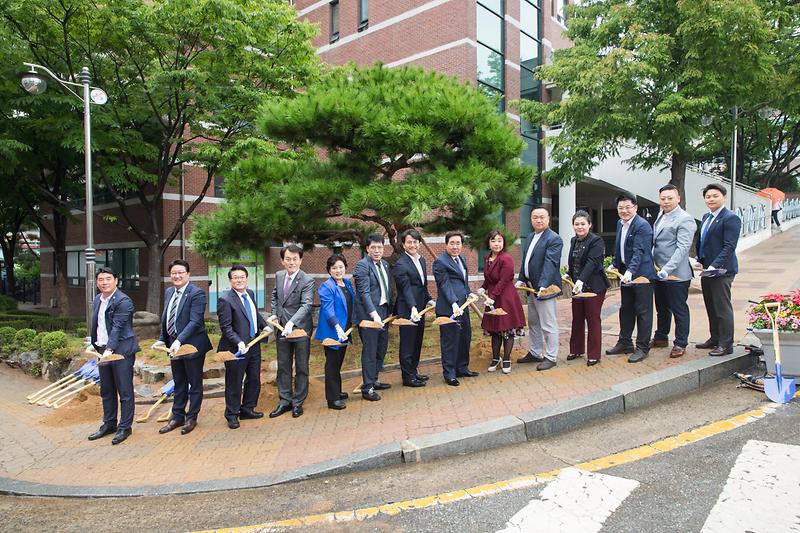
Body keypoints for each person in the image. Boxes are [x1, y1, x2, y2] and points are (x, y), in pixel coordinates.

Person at [152, 259, 212, 435]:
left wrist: (180, 340)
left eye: (181, 273)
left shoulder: (197, 293)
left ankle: (192, 417)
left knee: (194, 382)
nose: (177, 276)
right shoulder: (170, 291)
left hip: (192, 346)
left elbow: (195, 321)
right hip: (173, 346)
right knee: (179, 381)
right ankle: (177, 416)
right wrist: (163, 339)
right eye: (173, 273)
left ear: (188, 275)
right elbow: (167, 318)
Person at [87, 267, 140, 445]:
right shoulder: (98, 299)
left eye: (108, 279)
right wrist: (94, 344)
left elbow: (117, 327)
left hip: (121, 352)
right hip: (103, 351)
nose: (104, 282)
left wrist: (109, 349)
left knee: (124, 391)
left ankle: (125, 427)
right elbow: (99, 325)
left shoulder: (123, 301)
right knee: (107, 390)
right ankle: (109, 424)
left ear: (116, 280)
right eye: (101, 279)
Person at [606, 192, 657, 363]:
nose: (624, 211)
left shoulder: (642, 226)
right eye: (621, 208)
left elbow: (639, 251)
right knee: (626, 309)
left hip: (641, 276)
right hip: (625, 275)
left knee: (643, 312)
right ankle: (625, 342)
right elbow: (620, 246)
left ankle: (642, 347)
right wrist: (615, 263)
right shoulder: (620, 224)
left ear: (635, 207)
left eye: (628, 207)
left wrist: (631, 271)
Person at [217, 265, 270, 429]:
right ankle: (232, 414)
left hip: (254, 345)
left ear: (247, 279)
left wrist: (264, 326)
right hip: (236, 348)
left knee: (254, 378)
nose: (239, 280)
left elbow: (254, 314)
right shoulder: (225, 300)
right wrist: (239, 342)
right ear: (231, 280)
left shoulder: (250, 294)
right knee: (234, 381)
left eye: (242, 277)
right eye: (235, 277)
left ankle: (247, 408)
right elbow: (226, 327)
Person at [268, 244, 315, 418]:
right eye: (288, 259)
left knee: (302, 367)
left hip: (300, 329)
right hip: (281, 328)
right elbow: (275, 296)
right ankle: (285, 401)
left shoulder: (307, 280)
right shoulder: (279, 275)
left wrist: (292, 322)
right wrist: (274, 314)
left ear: (301, 260)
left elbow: (306, 305)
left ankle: (298, 402)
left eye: (295, 259)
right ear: (282, 260)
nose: (291, 262)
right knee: (284, 366)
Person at [696, 183, 742, 356]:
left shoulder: (730, 218)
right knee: (711, 305)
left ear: (723, 196)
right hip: (707, 269)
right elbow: (703, 242)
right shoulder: (707, 216)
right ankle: (714, 338)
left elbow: (729, 246)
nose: (711, 199)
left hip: (722, 270)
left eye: (715, 195)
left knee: (722, 307)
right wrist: (699, 259)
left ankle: (726, 344)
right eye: (708, 196)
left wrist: (715, 264)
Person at [651, 184, 695, 358]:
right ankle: (661, 336)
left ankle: (681, 342)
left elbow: (683, 248)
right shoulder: (660, 215)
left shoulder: (685, 218)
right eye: (663, 198)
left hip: (676, 273)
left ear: (678, 198)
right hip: (658, 271)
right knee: (661, 307)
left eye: (670, 198)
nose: (666, 201)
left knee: (678, 308)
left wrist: (667, 269)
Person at [516, 206, 563, 371]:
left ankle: (551, 356)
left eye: (542, 217)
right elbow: (526, 260)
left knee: (548, 323)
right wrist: (521, 278)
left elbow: (550, 264)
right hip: (531, 288)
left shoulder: (554, 239)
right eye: (535, 217)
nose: (538, 220)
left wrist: (543, 286)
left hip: (545, 288)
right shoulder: (530, 237)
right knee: (534, 321)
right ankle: (535, 352)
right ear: (531, 219)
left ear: (548, 219)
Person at [433, 231, 478, 386]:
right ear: (446, 244)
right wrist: (453, 303)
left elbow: (462, 282)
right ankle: (450, 373)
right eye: (452, 243)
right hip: (448, 308)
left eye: (458, 243)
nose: (455, 246)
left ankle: (462, 368)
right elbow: (444, 285)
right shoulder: (440, 262)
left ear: (462, 245)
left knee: (465, 337)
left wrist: (469, 293)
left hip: (463, 306)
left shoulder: (462, 259)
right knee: (450, 341)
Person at [566, 211, 610, 366]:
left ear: (590, 225)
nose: (580, 227)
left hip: (594, 286)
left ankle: (594, 354)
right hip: (578, 286)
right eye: (576, 224)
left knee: (592, 319)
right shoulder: (573, 240)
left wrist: (580, 281)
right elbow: (574, 261)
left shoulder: (596, 241)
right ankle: (576, 349)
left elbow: (592, 262)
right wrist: (569, 274)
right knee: (577, 318)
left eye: (583, 224)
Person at [478, 230, 525, 374]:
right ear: (489, 243)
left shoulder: (506, 258)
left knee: (507, 329)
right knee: (495, 330)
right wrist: (483, 287)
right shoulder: (487, 258)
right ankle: (495, 358)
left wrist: (492, 295)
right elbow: (489, 278)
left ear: (503, 242)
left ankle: (506, 358)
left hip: (505, 297)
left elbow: (504, 280)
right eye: (493, 241)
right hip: (493, 297)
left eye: (499, 240)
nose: (496, 243)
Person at [353, 234, 394, 401]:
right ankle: (367, 388)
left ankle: (375, 379)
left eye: (380, 247)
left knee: (381, 348)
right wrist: (373, 314)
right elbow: (364, 293)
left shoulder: (384, 264)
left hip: (383, 312)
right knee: (370, 351)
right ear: (367, 249)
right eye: (373, 247)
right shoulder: (362, 266)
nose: (377, 251)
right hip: (369, 316)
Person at [393, 229, 435, 387]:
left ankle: (413, 371)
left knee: (417, 341)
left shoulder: (421, 260)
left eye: (415, 242)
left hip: (420, 307)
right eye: (409, 242)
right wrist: (412, 307)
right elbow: (405, 288)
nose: (413, 245)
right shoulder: (401, 264)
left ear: (419, 243)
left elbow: (422, 284)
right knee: (407, 343)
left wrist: (429, 299)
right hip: (408, 309)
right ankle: (407, 377)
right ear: (404, 245)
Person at [314, 254, 356, 409]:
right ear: (329, 270)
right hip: (333, 331)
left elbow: (351, 303)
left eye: (341, 267)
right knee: (332, 364)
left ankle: (337, 391)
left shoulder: (346, 283)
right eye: (334, 268)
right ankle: (332, 399)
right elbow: (328, 309)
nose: (338, 270)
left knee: (338, 362)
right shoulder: (326, 287)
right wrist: (337, 327)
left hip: (345, 329)